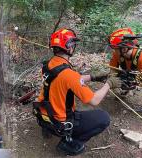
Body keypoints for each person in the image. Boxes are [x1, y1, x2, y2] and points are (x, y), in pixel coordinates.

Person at [34, 28, 123, 156]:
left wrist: (93, 77)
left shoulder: (48, 65)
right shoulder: (69, 75)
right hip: (61, 123)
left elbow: (66, 79)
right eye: (73, 44)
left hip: (44, 116)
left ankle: (47, 130)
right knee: (104, 118)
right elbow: (94, 100)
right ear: (69, 47)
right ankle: (69, 143)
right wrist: (109, 84)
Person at [107, 28, 142, 123]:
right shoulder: (118, 54)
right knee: (117, 76)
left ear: (124, 48)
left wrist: (136, 83)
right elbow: (112, 69)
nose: (114, 51)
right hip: (129, 74)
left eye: (115, 48)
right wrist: (114, 83)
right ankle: (124, 89)